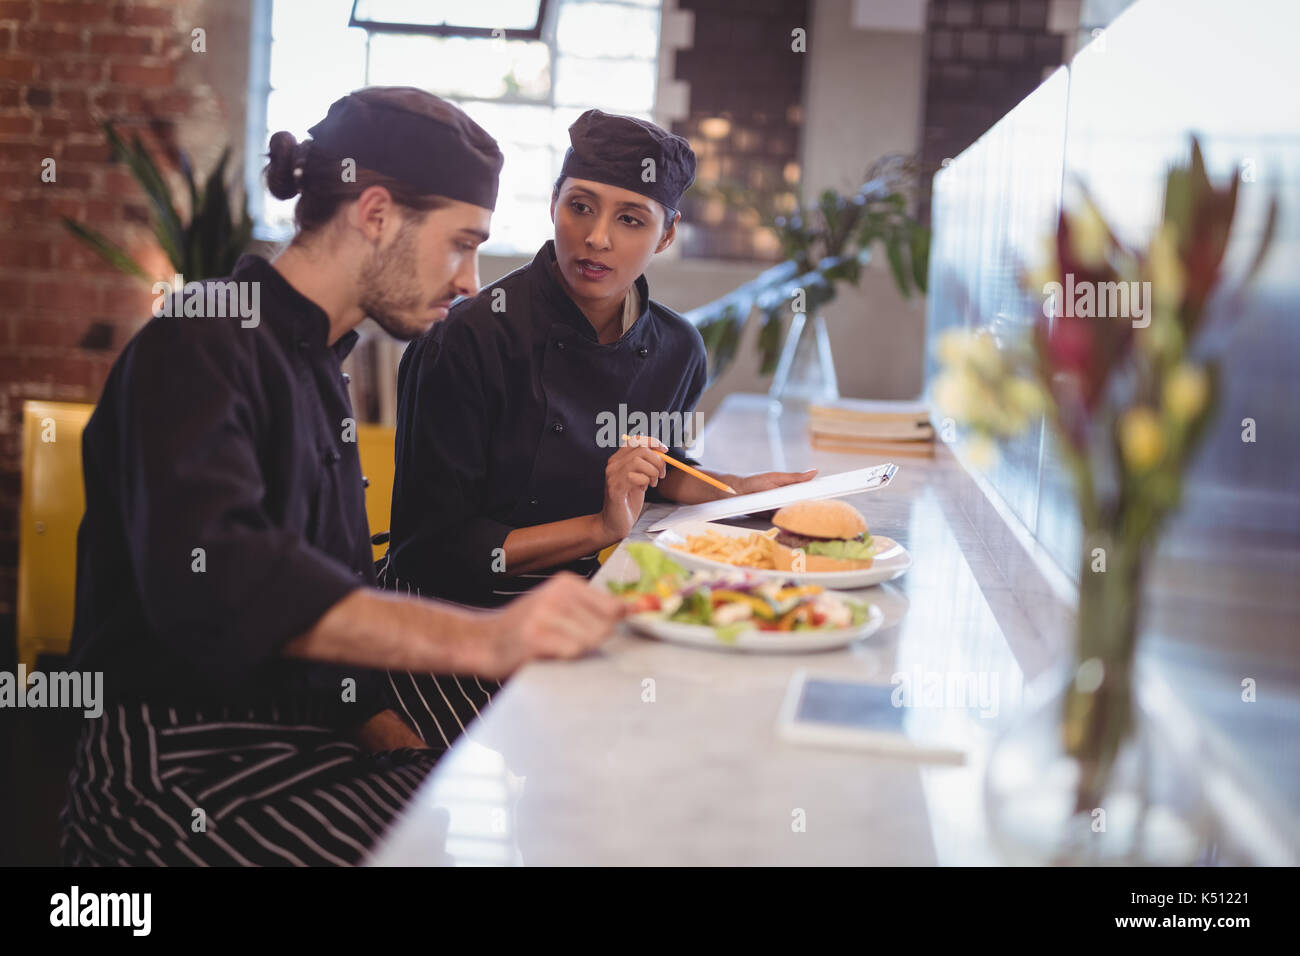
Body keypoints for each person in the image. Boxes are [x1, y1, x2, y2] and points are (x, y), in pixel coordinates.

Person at [59, 86, 625, 867]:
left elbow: (322, 608)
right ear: (376, 214)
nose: (469, 282)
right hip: (176, 768)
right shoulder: (201, 337)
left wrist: (391, 734)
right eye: (461, 243)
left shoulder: (322, 360)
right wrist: (488, 639)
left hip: (299, 738)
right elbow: (225, 584)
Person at [382, 109, 816, 748]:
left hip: (574, 605)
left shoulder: (676, 348)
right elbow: (435, 549)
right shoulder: (467, 338)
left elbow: (660, 470)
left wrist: (747, 492)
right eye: (580, 207)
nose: (597, 239)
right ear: (553, 204)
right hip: (448, 622)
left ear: (666, 236)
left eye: (631, 219)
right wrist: (601, 527)